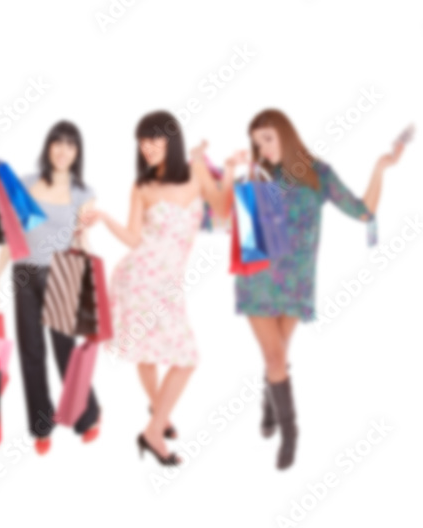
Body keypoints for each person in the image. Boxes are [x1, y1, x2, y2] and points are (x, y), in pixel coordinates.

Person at [233, 109, 404, 470]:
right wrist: (237, 183)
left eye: (268, 138)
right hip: (258, 282)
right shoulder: (257, 176)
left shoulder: (318, 174)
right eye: (257, 141)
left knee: (275, 356)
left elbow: (363, 212)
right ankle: (290, 433)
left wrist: (379, 168)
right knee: (276, 358)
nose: (262, 148)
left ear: (286, 135)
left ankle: (269, 406)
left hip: (296, 284)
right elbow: (235, 226)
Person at [87, 110, 229, 466]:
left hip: (169, 281)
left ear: (171, 139)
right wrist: (104, 218)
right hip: (139, 277)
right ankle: (155, 428)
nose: (146, 147)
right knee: (167, 354)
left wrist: (226, 169)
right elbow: (135, 239)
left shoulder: (197, 173)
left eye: (153, 139)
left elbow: (222, 207)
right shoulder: (142, 186)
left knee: (176, 356)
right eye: (142, 141)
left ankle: (156, 421)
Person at [0, 120, 101, 456]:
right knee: (31, 352)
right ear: (49, 148)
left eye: (70, 145)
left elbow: (83, 238)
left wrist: (94, 282)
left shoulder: (82, 193)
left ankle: (86, 415)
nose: (63, 151)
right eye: (57, 143)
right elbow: (13, 234)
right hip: (25, 274)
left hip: (64, 274)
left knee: (66, 350)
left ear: (76, 152)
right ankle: (41, 425)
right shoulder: (28, 183)